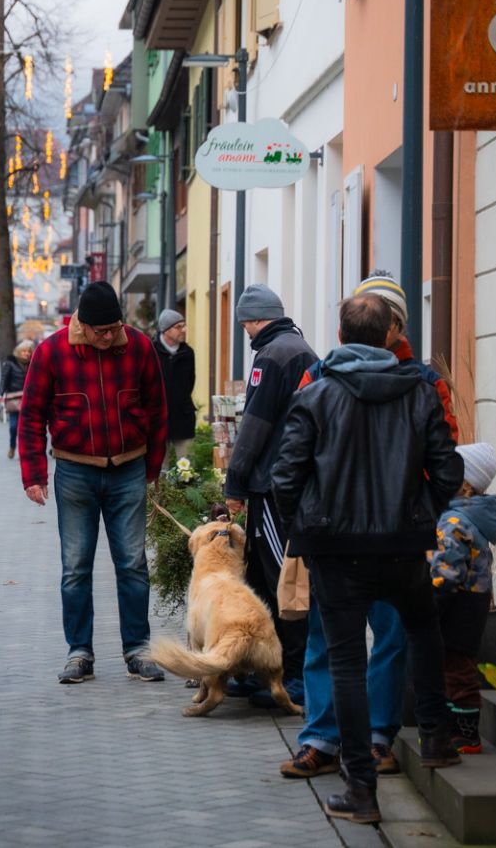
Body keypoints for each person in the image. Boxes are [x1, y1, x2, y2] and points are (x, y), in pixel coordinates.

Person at [271, 294, 465, 824]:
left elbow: (285, 477)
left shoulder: (317, 393)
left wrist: (309, 526)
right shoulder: (420, 391)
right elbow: (449, 470)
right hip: (402, 544)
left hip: (336, 550)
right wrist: (419, 515)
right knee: (423, 631)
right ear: (388, 336)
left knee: (346, 661)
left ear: (339, 335)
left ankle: (362, 791)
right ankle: (436, 740)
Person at [17, 280, 171, 684]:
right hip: (75, 473)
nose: (108, 337)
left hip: (128, 469)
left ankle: (138, 650)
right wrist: (33, 475)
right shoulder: (51, 352)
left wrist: (152, 469)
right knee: (75, 568)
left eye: (113, 328)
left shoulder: (137, 346)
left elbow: (157, 410)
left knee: (134, 565)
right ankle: (79, 652)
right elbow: (31, 416)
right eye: (99, 331)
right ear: (81, 325)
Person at [222, 284, 318, 708]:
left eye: (245, 323)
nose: (245, 331)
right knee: (266, 579)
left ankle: (291, 675)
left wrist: (235, 483)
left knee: (282, 583)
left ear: (256, 319)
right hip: (293, 482)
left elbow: (255, 426)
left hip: (272, 488)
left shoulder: (271, 356)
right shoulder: (301, 349)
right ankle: (263, 671)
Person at [431, 443, 496, 754]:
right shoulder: (469, 517)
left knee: (457, 667)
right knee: (458, 663)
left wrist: (431, 599)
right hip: (473, 601)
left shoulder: (455, 522)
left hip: (456, 602)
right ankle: (457, 729)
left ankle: (466, 734)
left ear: (466, 483)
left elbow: (446, 571)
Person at [155, 309, 198, 461]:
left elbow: (190, 382)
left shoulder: (188, 353)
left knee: (187, 469)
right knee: (159, 469)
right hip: (159, 418)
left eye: (184, 326)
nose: (184, 330)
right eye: (178, 327)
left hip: (183, 417)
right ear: (166, 330)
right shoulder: (152, 351)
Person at [0, 339, 33, 459]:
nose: (26, 354)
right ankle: (12, 446)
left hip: (29, 400)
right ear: (19, 352)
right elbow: (4, 379)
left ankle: (24, 450)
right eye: (24, 351)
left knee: (26, 428)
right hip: (14, 400)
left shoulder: (33, 363)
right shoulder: (10, 363)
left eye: (28, 351)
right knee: (13, 427)